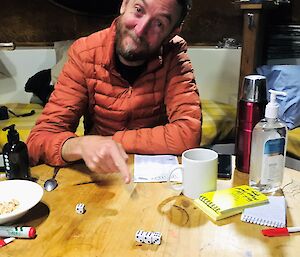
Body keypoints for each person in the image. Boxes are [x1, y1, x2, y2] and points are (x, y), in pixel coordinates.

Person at [27, 0, 201, 184]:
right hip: (100, 179)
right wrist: (80, 145)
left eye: (159, 24)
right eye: (139, 10)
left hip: (155, 180)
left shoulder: (174, 54)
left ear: (171, 33)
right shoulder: (84, 52)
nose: (140, 30)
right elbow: (39, 139)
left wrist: (112, 141)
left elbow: (188, 134)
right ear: (124, 4)